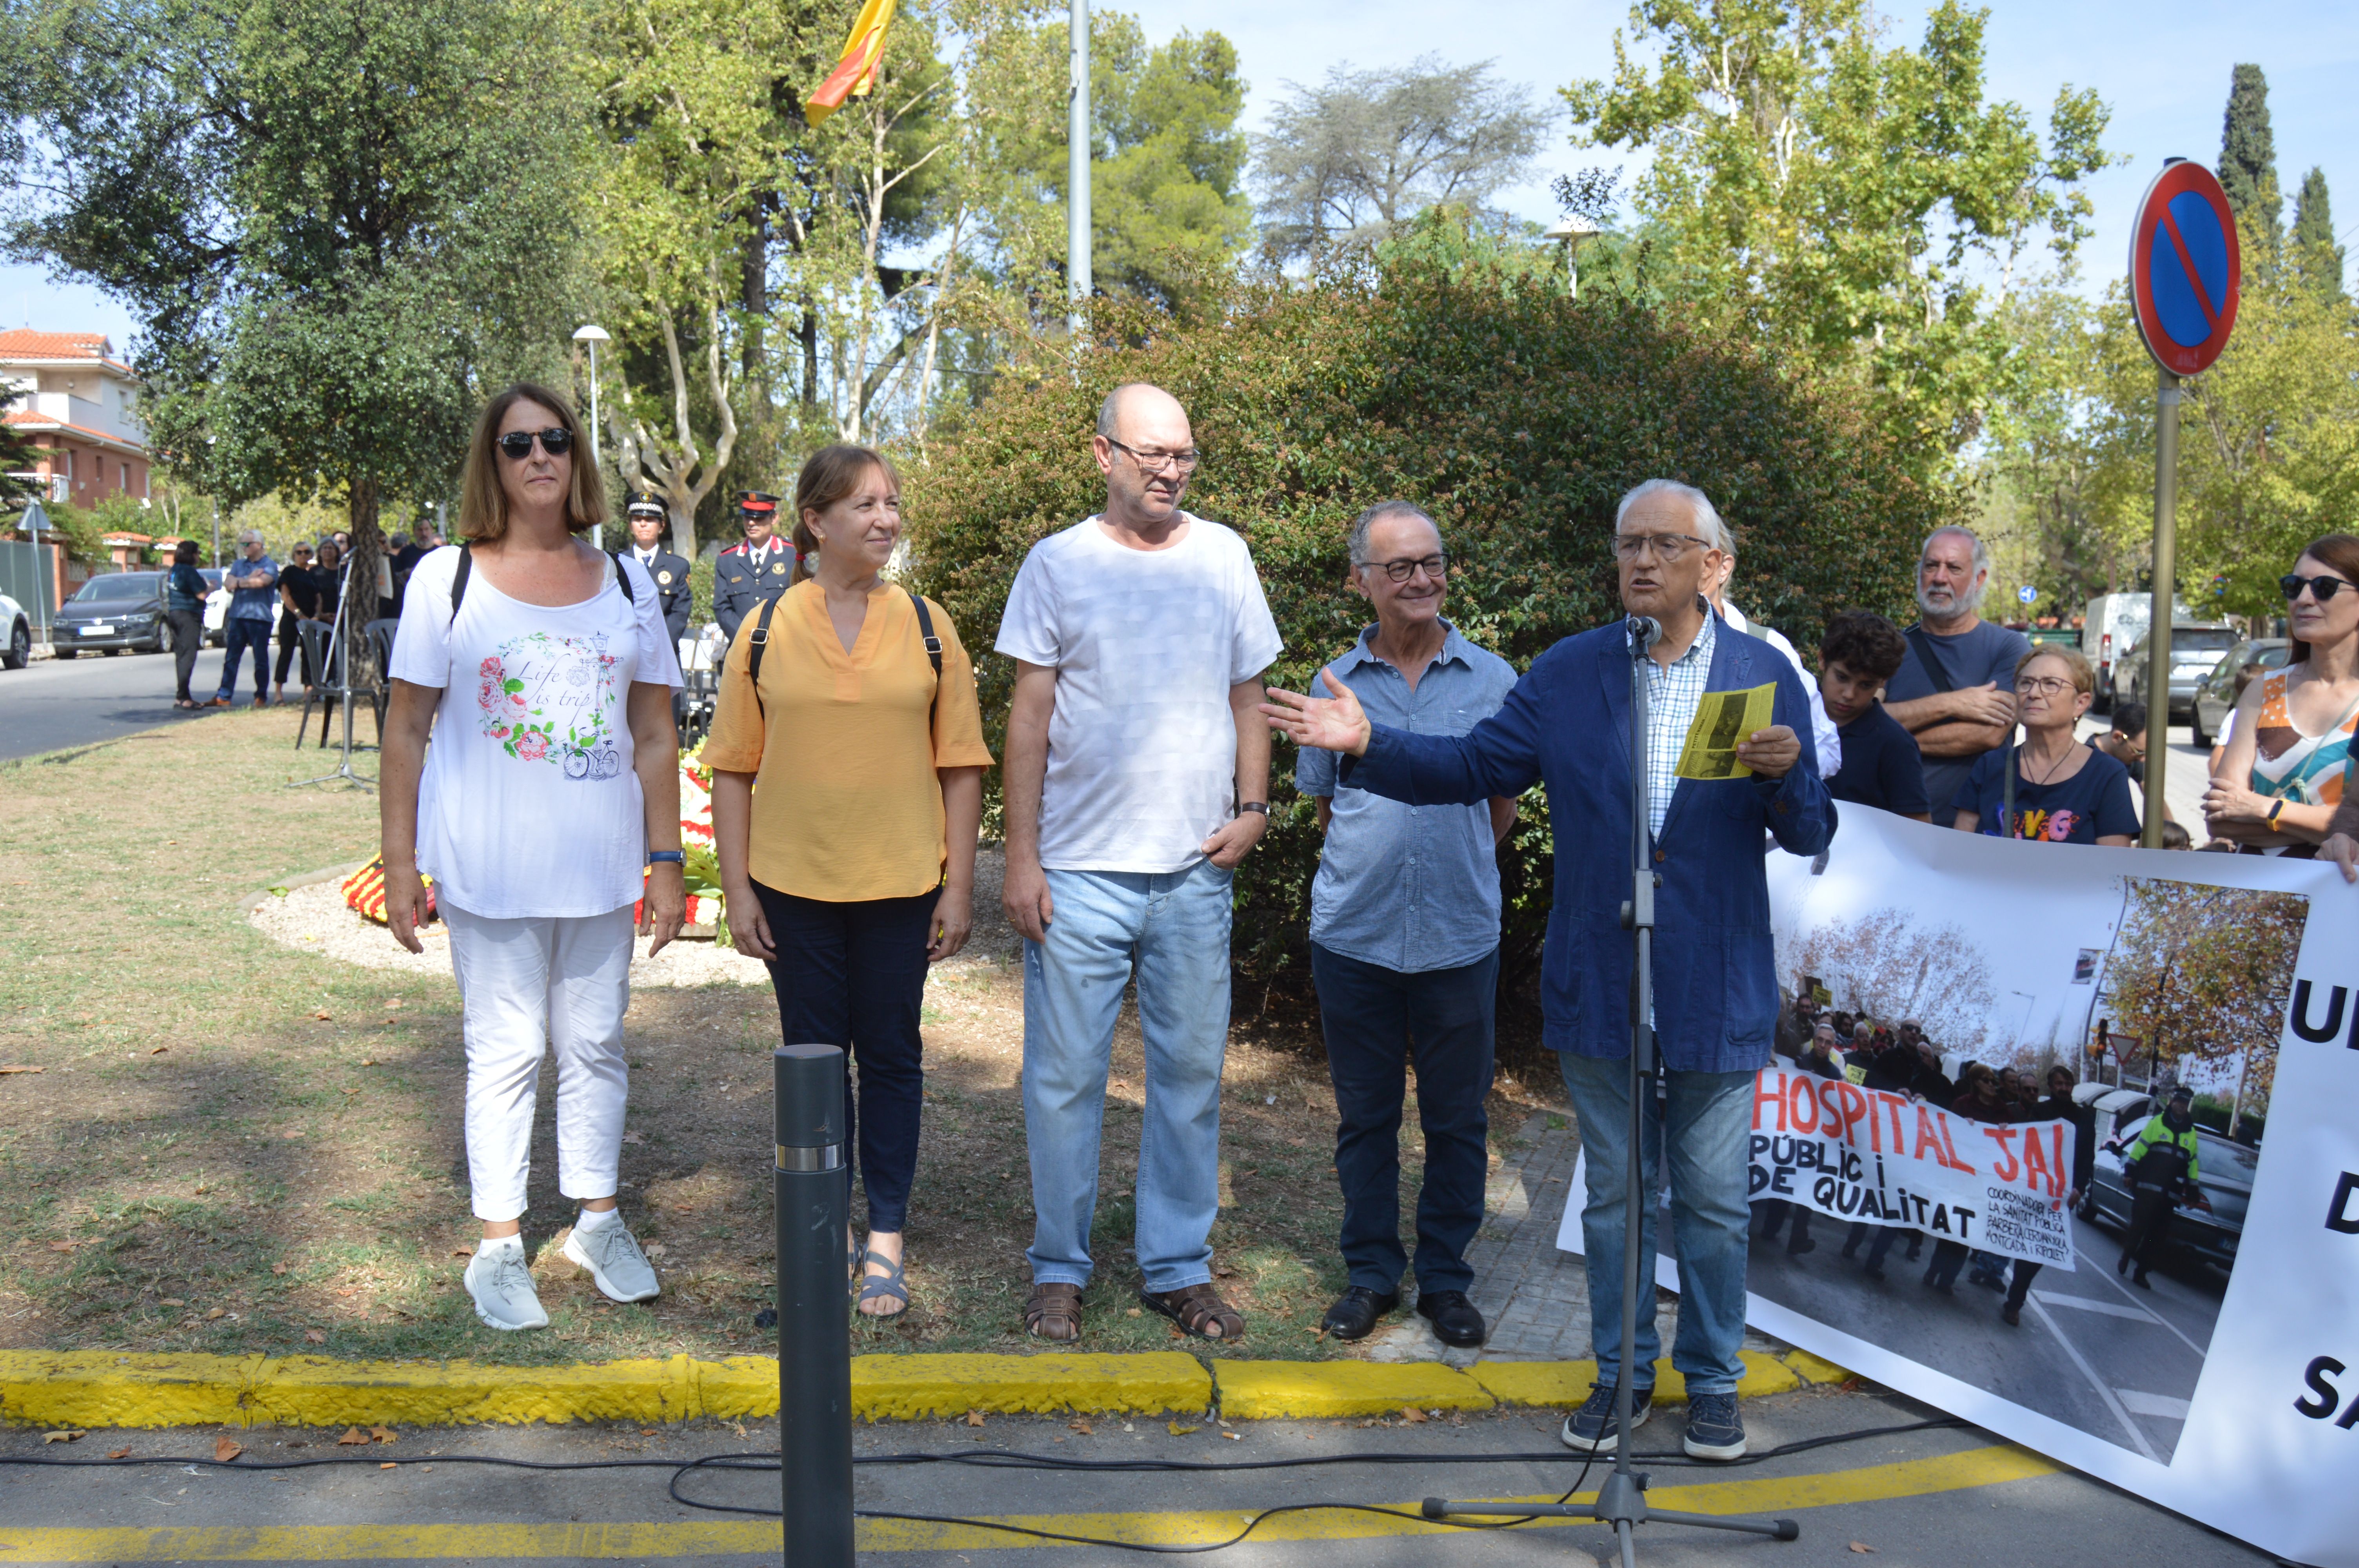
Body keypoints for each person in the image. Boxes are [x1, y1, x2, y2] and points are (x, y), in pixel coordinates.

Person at [1263, 475, 1834, 1463]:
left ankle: (1710, 1381)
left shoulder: (1761, 670)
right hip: (1600, 974)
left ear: (1715, 564)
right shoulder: (1569, 673)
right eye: (1627, 545)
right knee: (1614, 1195)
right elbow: (1472, 767)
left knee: (1709, 1198)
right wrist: (1370, 743)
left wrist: (1788, 777)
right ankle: (1619, 1376)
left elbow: (1811, 830)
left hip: (1714, 979)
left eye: (1663, 544)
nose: (1642, 561)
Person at [379, 382, 686, 1333]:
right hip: (487, 865)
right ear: (494, 461)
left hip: (599, 866)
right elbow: (405, 730)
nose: (540, 456)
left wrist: (667, 860)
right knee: (507, 1048)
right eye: (518, 444)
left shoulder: (628, 581)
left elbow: (652, 735)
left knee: (595, 1043)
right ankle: (500, 1244)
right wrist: (398, 861)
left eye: (556, 439)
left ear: (577, 456)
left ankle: (596, 1219)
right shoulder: (446, 579)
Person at [997, 382, 1281, 1345]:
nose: (1170, 469)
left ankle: (1176, 1268)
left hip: (1195, 871)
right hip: (1076, 874)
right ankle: (1059, 1270)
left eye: (1184, 455)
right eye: (1152, 453)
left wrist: (1252, 809)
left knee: (1190, 1078)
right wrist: (1021, 857)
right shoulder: (1058, 564)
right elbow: (1028, 715)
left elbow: (1250, 695)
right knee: (1064, 1080)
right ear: (1102, 455)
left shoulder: (1224, 556)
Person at [706, 445, 992, 1318]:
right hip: (792, 887)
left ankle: (886, 1242)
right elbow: (730, 768)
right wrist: (739, 892)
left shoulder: (930, 625)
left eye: (892, 503)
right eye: (864, 504)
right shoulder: (762, 629)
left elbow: (960, 763)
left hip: (901, 885)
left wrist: (956, 885)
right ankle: (819, 1238)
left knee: (894, 1058)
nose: (884, 518)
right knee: (813, 1066)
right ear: (815, 520)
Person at [1293, 500, 1519, 1348]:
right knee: (1365, 1116)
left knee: (1458, 1119)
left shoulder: (1493, 680)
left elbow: (1501, 804)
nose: (1422, 579)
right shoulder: (1334, 681)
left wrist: (1448, 863)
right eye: (1399, 567)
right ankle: (1370, 1274)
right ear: (1361, 580)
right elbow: (1326, 805)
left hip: (1460, 935)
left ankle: (1447, 1280)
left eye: (1431, 562)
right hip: (1354, 936)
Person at [2207, 536, 2359, 858]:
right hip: (2257, 892)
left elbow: (2356, 824)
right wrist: (2319, 827)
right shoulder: (2264, 690)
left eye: (2324, 587)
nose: (2303, 599)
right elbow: (2220, 819)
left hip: (2340, 894)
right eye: (2293, 586)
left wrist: (2266, 809)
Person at [1881, 527, 2030, 826]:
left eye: (1954, 568)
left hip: (1978, 832)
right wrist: (1954, 704)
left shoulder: (2009, 647)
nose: (1940, 577)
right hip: (1892, 828)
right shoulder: (1887, 647)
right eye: (1931, 566)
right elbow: (1857, 724)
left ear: (1979, 579)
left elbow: (1990, 734)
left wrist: (1889, 736)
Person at [1697, 513, 1840, 776]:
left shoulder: (1770, 648)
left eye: (1692, 554)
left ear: (1723, 568)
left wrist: (1782, 768)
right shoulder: (1633, 647)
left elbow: (1826, 748)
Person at [1951, 647, 2138, 846]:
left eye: (2050, 684)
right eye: (2026, 683)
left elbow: (2113, 868)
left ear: (2081, 703)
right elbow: (1960, 852)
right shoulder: (1990, 767)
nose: (2033, 693)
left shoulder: (2106, 774)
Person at [2001, 1065, 2094, 1326]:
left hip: (2063, 1197)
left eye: (2068, 1083)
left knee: (2039, 1253)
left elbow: (2088, 1159)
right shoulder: (2040, 1113)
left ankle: (2015, 1301)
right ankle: (2012, 1298)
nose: (2064, 1088)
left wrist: (2079, 1187)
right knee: (2024, 1245)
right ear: (2051, 1087)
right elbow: (2025, 1144)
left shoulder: (2085, 1119)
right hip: (2036, 1189)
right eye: (2059, 1084)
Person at [1817, 611, 1930, 820]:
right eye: (1842, 677)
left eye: (1866, 685)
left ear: (1883, 682)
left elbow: (1918, 829)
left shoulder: (1895, 744)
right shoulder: (1791, 712)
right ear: (1822, 659)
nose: (1849, 694)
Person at [1922, 1065, 2017, 1293]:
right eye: (1987, 1081)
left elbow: (2009, 1147)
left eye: (1995, 1082)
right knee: (1951, 1229)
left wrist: (2005, 1132)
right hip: (1960, 1176)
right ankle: (1934, 1271)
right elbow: (1948, 1134)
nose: (1993, 1086)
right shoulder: (1962, 1104)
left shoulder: (2002, 1111)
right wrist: (1964, 1128)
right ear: (1976, 1083)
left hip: (1983, 1182)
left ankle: (1948, 1280)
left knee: (1968, 1233)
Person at [2109, 1086, 2205, 1289]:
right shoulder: (2157, 1123)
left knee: (2157, 1237)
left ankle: (2141, 1272)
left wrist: (2193, 1192)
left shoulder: (2192, 1133)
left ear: (2188, 1106)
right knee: (2138, 1228)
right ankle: (2127, 1255)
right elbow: (2140, 1147)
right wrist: (2129, 1172)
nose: (2181, 1106)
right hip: (2147, 1188)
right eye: (2178, 1101)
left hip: (2169, 1194)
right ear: (2172, 1102)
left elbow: (2193, 1164)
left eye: (2185, 1103)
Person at [211, 529, 279, 708]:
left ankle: (261, 697)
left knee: (261, 660)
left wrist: (240, 582)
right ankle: (224, 696)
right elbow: (228, 584)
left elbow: (262, 583)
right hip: (238, 617)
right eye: (242, 544)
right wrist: (248, 579)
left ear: (259, 545)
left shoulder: (269, 565)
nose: (244, 548)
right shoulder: (239, 564)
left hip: (260, 619)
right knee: (232, 658)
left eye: (247, 544)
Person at [711, 490, 789, 644]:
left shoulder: (792, 556)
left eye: (759, 518)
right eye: (747, 517)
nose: (752, 523)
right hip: (741, 650)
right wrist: (746, 638)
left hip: (782, 647)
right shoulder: (727, 560)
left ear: (774, 518)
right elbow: (722, 607)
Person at [623, 494, 694, 653]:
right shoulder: (617, 563)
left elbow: (680, 612)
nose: (643, 524)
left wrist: (658, 646)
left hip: (664, 652)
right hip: (625, 653)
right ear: (630, 525)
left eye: (650, 520)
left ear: (662, 526)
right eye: (637, 519)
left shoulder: (678, 566)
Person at [272, 540, 320, 704]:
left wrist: (316, 615)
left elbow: (318, 597)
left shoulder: (312, 574)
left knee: (308, 654)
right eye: (299, 552)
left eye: (307, 552)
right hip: (291, 618)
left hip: (310, 619)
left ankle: (308, 690)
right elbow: (285, 595)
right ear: (294, 555)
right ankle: (278, 692)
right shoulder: (289, 572)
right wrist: (298, 613)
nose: (303, 555)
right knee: (286, 653)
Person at [164, 540, 209, 710]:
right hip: (188, 615)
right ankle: (183, 697)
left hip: (175, 613)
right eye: (197, 553)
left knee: (181, 655)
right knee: (188, 656)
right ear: (191, 554)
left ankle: (182, 696)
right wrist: (211, 587)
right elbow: (201, 595)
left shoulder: (173, 570)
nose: (199, 556)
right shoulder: (189, 571)